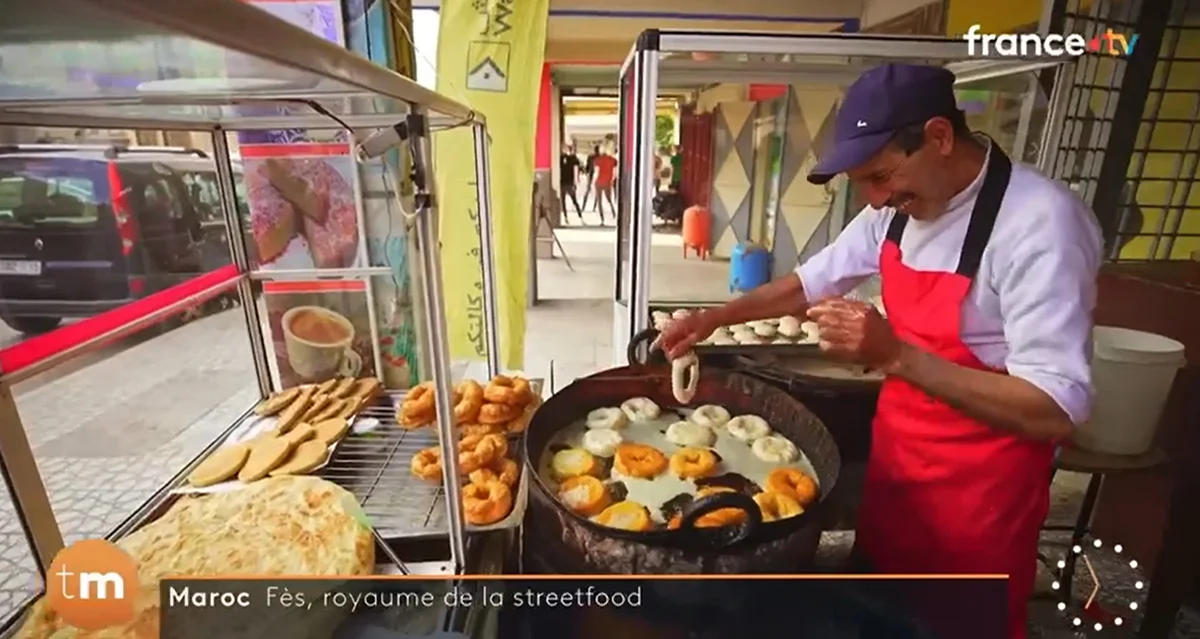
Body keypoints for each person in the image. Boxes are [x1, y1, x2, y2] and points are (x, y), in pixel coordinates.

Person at [658, 64, 1102, 639]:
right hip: (897, 474)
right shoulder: (893, 211)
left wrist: (894, 355)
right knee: (877, 617)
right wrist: (713, 318)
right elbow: (807, 283)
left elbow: (1054, 407)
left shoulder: (1041, 226)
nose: (874, 198)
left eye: (882, 176)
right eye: (863, 182)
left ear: (940, 137)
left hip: (980, 500)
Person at [592, 147, 618, 224]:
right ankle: (614, 214)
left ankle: (602, 219)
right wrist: (612, 179)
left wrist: (593, 181)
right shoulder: (613, 160)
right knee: (609, 200)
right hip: (608, 182)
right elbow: (615, 172)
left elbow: (596, 173)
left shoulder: (597, 160)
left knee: (599, 201)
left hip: (599, 182)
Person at [560, 144, 583, 223]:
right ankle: (578, 217)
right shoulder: (571, 158)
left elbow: (577, 169)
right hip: (567, 183)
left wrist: (575, 182)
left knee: (568, 201)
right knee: (571, 201)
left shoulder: (563, 158)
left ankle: (573, 217)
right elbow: (577, 169)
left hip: (565, 182)